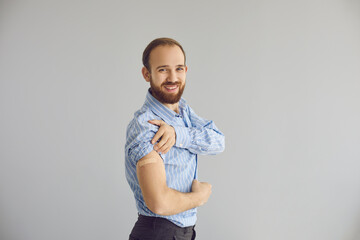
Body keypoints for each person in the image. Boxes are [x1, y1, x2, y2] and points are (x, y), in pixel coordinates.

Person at [125, 37, 225, 240]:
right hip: (159, 232)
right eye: (163, 69)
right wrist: (199, 197)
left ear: (185, 71)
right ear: (147, 74)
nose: (173, 77)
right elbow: (159, 202)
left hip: (181, 232)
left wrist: (179, 133)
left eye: (178, 68)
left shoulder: (185, 112)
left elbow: (219, 142)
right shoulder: (147, 126)